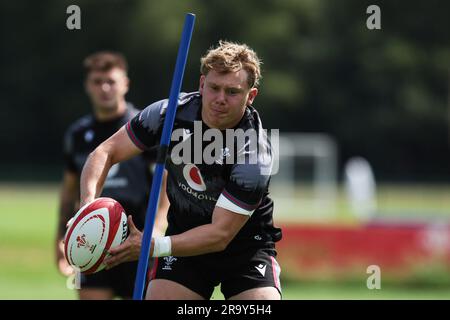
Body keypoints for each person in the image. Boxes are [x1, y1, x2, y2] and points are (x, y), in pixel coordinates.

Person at [80, 41, 282, 300]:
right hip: (184, 239)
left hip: (245, 248)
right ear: (201, 84)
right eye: (214, 88)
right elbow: (104, 152)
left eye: (232, 91)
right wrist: (88, 208)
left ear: (250, 96)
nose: (220, 99)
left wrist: (153, 246)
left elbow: (220, 235)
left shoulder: (254, 151)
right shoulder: (169, 114)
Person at [55, 51, 169, 300]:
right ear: (87, 85)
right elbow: (68, 190)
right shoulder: (78, 133)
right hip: (92, 239)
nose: (104, 88)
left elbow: (165, 183)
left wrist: (157, 228)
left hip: (136, 239)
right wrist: (61, 237)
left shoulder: (144, 127)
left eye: (111, 81)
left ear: (125, 84)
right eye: (97, 82)